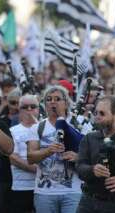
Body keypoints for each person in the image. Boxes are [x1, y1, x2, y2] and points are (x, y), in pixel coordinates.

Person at [27, 85, 82, 213]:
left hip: (73, 191)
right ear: (45, 104)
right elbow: (30, 157)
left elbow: (92, 154)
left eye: (57, 99)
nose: (53, 102)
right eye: (49, 99)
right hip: (44, 193)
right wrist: (48, 150)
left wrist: (78, 157)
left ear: (66, 104)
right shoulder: (37, 128)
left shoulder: (79, 125)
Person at [9, 94, 39, 213]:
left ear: (38, 109)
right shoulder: (12, 131)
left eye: (33, 106)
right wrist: (37, 169)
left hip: (43, 189)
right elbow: (13, 158)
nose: (29, 110)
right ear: (19, 110)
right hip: (21, 187)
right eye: (25, 107)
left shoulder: (45, 129)